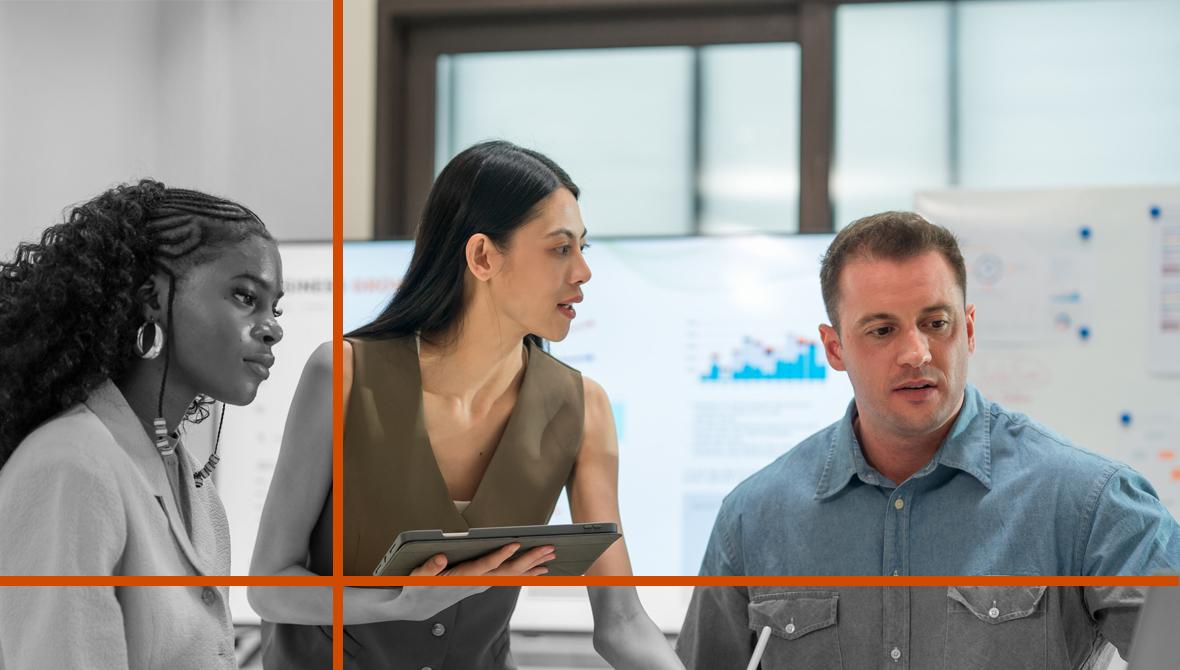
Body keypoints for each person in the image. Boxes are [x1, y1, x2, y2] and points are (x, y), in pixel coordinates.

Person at [677, 211, 1180, 669]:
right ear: (834, 348)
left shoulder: (1088, 501)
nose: (916, 353)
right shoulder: (753, 518)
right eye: (882, 330)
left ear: (969, 329)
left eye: (936, 323)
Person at [248, 140, 682, 669]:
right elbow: (269, 585)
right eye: (560, 248)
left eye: (582, 248)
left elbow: (622, 622)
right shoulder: (343, 375)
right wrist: (395, 604)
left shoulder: (582, 408)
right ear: (482, 256)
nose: (583, 272)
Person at [0, 180, 284, 669]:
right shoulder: (71, 466)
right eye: (245, 296)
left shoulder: (197, 493)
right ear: (151, 297)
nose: (273, 328)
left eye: (275, 308)